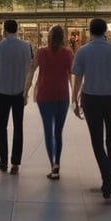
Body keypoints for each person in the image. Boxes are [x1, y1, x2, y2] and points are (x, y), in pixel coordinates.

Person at [71, 17, 111, 199]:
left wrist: (74, 98)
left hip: (91, 99)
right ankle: (108, 177)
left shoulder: (82, 51)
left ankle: (107, 177)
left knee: (96, 140)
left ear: (90, 31)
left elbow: (78, 77)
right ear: (105, 31)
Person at [25, 25, 73, 179]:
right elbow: (72, 75)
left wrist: (26, 92)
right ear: (63, 37)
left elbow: (31, 70)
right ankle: (57, 162)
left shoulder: (41, 52)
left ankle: (52, 164)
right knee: (58, 132)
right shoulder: (68, 53)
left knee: (48, 131)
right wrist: (77, 94)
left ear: (49, 37)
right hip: (62, 95)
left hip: (44, 95)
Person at [0, 19, 32, 174]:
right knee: (18, 126)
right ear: (17, 30)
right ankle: (16, 161)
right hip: (19, 91)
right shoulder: (26, 46)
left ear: (4, 30)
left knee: (1, 126)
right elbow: (28, 70)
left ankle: (3, 160)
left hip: (1, 91)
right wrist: (26, 92)